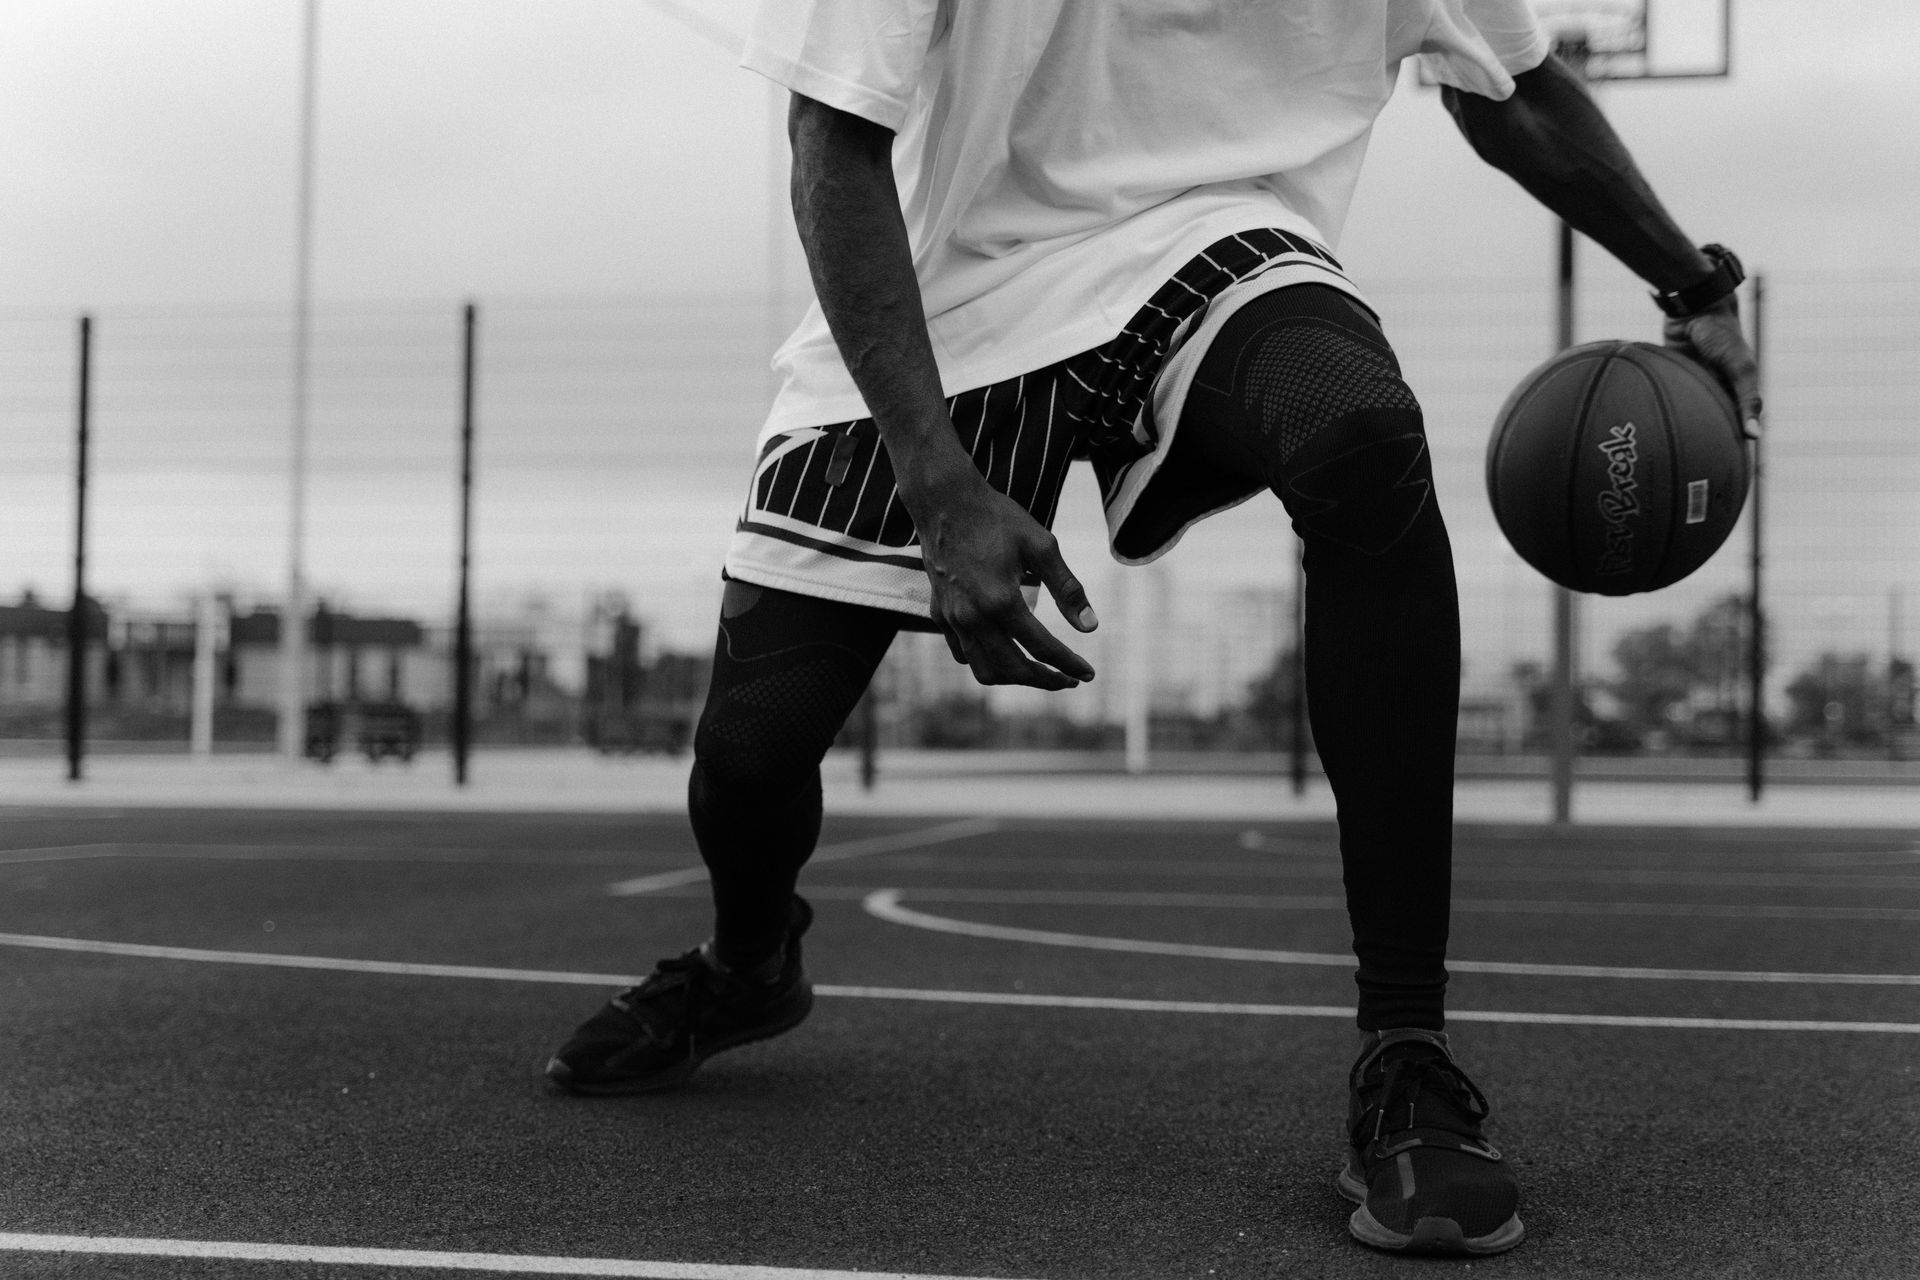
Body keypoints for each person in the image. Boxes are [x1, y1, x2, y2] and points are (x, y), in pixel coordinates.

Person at [547, 0, 1761, 1257]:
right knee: (750, 750)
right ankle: (750, 960)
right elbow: (830, 148)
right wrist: (937, 480)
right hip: (948, 290)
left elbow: (1517, 90)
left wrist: (1695, 283)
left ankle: (1407, 1051)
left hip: (1222, 251)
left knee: (1362, 435)